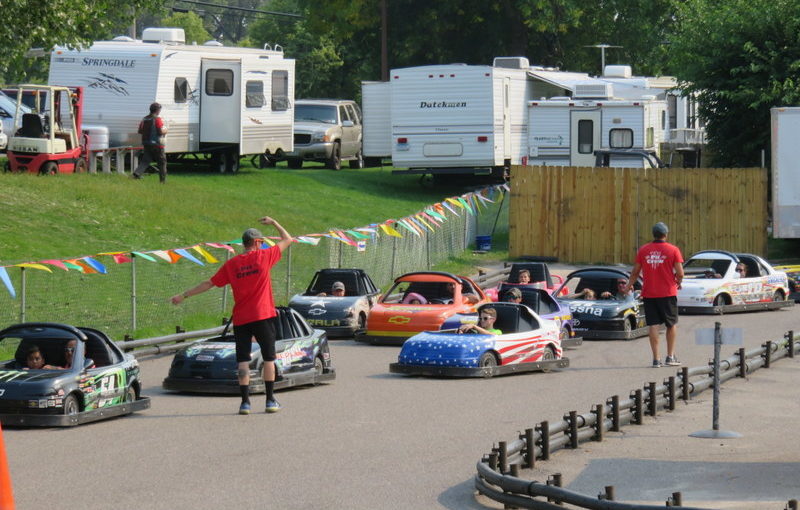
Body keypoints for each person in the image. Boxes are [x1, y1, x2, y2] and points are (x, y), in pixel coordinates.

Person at [171, 216, 292, 415]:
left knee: (242, 361)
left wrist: (183, 295)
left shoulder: (232, 264)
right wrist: (275, 223)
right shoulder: (264, 256)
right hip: (263, 315)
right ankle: (270, 400)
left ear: (243, 244)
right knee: (269, 359)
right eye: (261, 242)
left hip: (242, 319)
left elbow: (209, 283)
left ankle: (245, 403)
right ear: (257, 243)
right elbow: (287, 239)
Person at [624, 221, 684, 368]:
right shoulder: (673, 250)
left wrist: (628, 287)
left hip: (650, 292)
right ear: (666, 234)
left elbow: (635, 272)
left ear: (654, 234)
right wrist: (678, 281)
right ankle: (670, 356)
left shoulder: (644, 250)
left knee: (653, 325)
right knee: (671, 324)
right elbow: (680, 272)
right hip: (668, 293)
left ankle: (656, 359)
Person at [132, 102, 168, 183]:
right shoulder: (157, 119)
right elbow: (160, 131)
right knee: (162, 162)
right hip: (157, 145)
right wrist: (165, 131)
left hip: (146, 143)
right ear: (157, 110)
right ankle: (163, 181)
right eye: (159, 110)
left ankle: (136, 174)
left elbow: (140, 131)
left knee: (145, 160)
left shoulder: (144, 119)